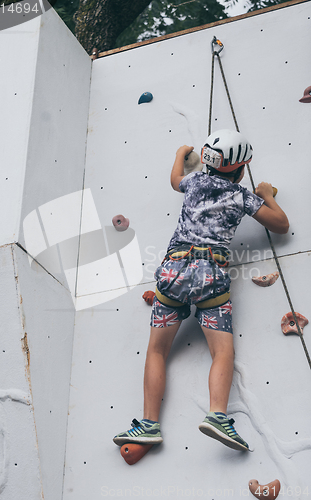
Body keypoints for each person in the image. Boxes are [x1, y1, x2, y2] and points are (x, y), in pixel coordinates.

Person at [113, 129, 289, 452]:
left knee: (156, 351)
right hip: (211, 276)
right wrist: (266, 194)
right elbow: (280, 224)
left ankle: (149, 425)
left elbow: (174, 178)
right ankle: (217, 415)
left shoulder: (192, 182)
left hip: (174, 271)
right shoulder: (242, 196)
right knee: (222, 352)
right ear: (238, 170)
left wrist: (181, 152)